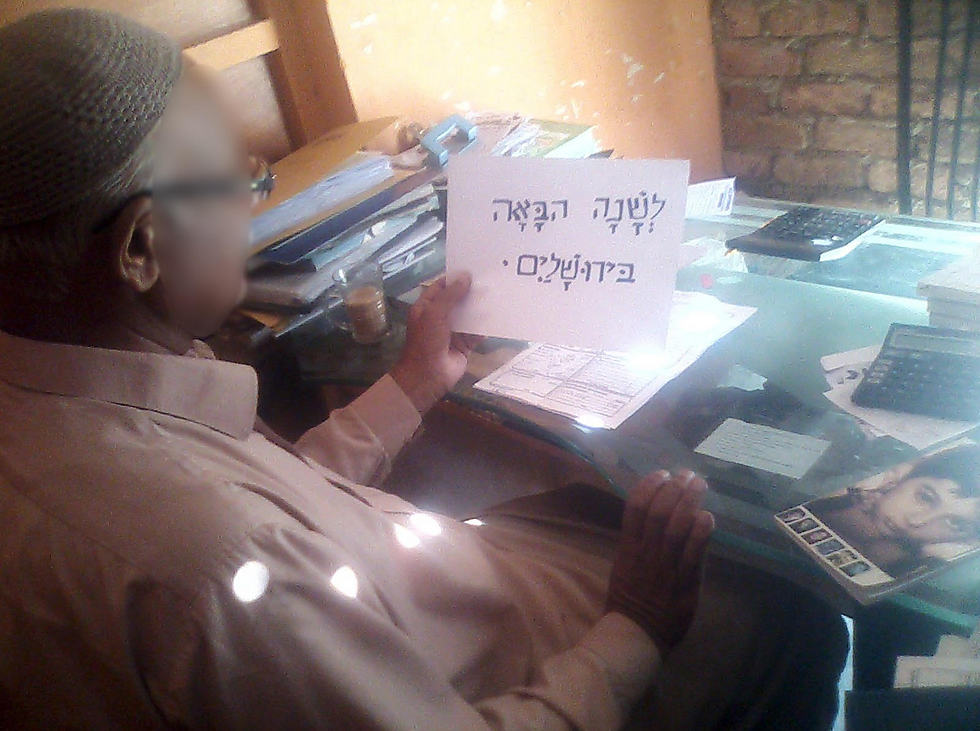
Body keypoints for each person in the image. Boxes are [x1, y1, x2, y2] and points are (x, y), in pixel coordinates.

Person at [0, 9, 846, 729]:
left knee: (591, 501)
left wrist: (411, 384)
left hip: (421, 581)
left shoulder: (60, 393)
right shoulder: (221, 571)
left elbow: (266, 496)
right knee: (794, 608)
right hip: (528, 672)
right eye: (241, 181)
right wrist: (637, 626)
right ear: (142, 246)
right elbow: (252, 543)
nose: (254, 205)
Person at [810, 446, 980, 577]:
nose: (916, 521)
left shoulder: (915, 566)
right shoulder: (832, 491)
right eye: (925, 497)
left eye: (955, 523)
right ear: (903, 477)